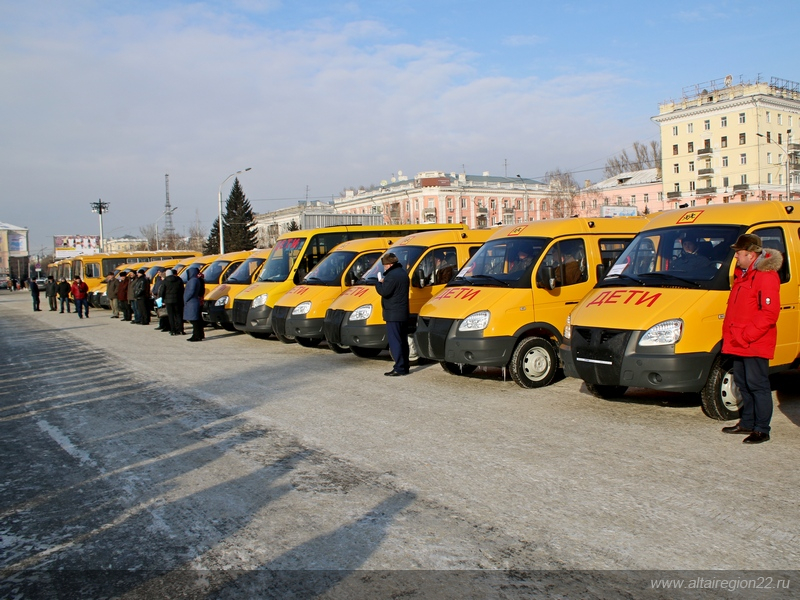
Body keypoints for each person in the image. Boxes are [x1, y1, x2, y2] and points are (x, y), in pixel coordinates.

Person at [721, 233, 782, 444]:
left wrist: (747, 335)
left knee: (758, 385)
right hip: (739, 341)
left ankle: (761, 429)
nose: (735, 256)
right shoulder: (743, 274)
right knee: (743, 384)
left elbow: (769, 313)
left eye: (738, 252)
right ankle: (747, 422)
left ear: (750, 253)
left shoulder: (766, 275)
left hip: (754, 341)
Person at [375, 253, 410, 376]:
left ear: (389, 264)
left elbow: (385, 292)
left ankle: (399, 368)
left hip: (393, 313)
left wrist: (379, 283)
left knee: (395, 341)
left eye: (384, 266)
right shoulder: (403, 273)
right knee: (403, 340)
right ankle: (405, 366)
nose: (384, 268)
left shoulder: (391, 276)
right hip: (403, 312)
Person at [184, 267, 206, 342]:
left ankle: (196, 335)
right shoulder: (197, 280)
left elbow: (190, 291)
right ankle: (200, 334)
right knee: (197, 319)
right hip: (195, 300)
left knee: (194, 320)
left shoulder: (193, 281)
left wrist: (185, 299)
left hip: (192, 301)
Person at [162, 268, 185, 336]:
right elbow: (182, 290)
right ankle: (181, 329)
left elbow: (162, 291)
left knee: (171, 316)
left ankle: (173, 330)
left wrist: (162, 299)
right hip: (178, 300)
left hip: (168, 301)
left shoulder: (165, 281)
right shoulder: (179, 279)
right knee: (179, 315)